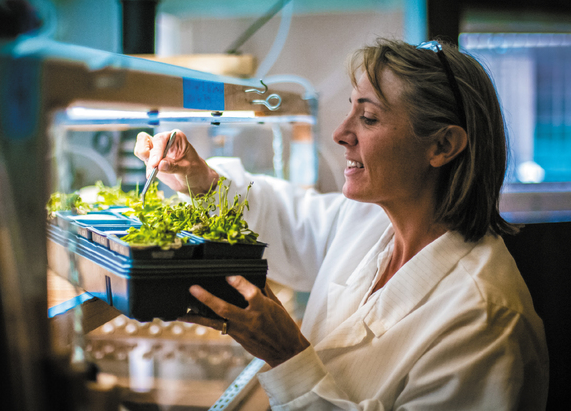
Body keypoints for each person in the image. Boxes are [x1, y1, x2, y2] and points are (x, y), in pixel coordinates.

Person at [134, 38, 549, 410]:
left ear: (442, 145)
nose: (339, 133)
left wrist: (289, 356)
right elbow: (286, 222)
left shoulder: (485, 320)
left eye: (367, 118)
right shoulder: (372, 218)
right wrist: (201, 180)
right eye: (351, 109)